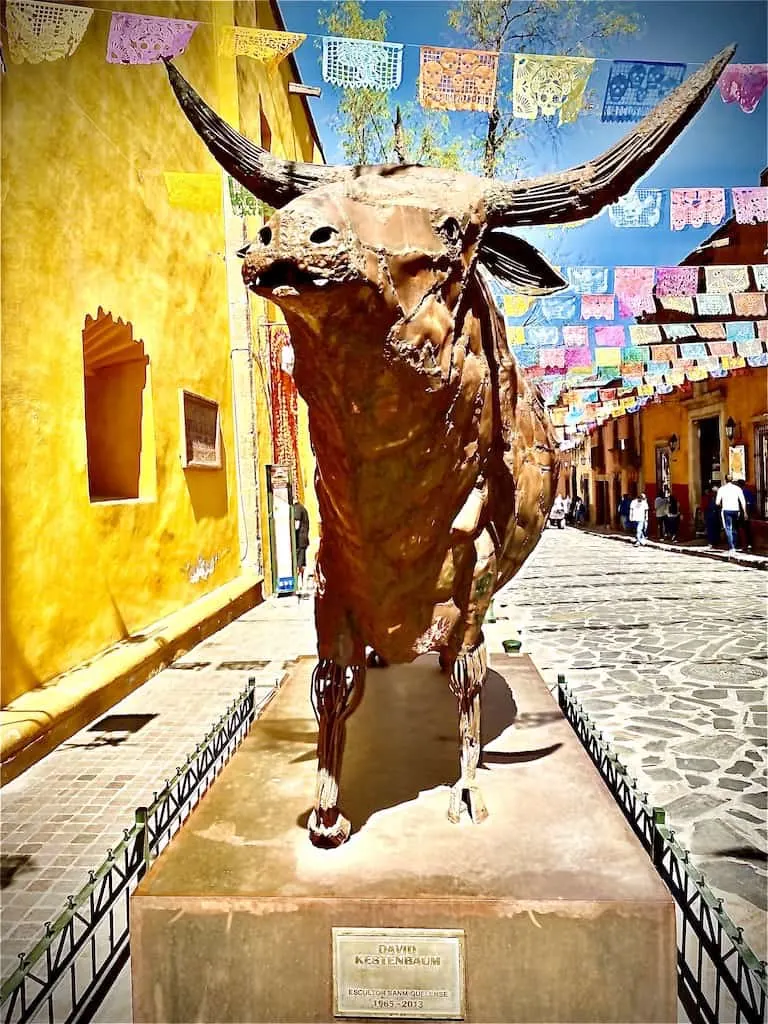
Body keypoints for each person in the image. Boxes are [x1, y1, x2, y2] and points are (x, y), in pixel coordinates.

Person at [716, 474, 747, 554]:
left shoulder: (722, 489)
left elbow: (717, 502)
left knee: (728, 528)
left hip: (726, 510)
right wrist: (745, 512)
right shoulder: (737, 489)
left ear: (725, 480)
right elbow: (743, 501)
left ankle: (731, 547)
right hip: (736, 510)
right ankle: (735, 545)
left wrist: (721, 505)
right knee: (734, 528)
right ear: (732, 480)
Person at [293, 499, 310, 589]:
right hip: (303, 540)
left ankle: (299, 583)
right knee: (302, 562)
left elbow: (296, 526)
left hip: (298, 540)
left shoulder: (297, 508)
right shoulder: (302, 508)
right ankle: (302, 583)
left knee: (298, 563)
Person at [737, 480, 757, 551]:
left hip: (743, 512)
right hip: (749, 512)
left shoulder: (741, 492)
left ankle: (745, 545)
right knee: (748, 529)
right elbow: (753, 502)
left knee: (742, 529)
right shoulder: (749, 492)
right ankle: (749, 544)